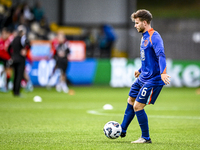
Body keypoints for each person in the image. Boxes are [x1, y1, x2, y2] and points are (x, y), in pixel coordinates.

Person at [120, 9, 170, 144]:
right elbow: (149, 58)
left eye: (137, 23)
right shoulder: (144, 36)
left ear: (145, 22)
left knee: (137, 106)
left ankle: (146, 138)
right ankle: (122, 129)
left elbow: (161, 55)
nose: (135, 25)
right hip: (143, 77)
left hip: (153, 80)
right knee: (130, 100)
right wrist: (140, 70)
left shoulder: (155, 36)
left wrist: (163, 73)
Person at [10, 25, 31, 96]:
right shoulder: (23, 38)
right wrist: (25, 49)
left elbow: (9, 47)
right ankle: (17, 92)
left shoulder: (14, 38)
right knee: (19, 75)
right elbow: (28, 44)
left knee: (15, 75)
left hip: (14, 58)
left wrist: (12, 55)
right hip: (20, 59)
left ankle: (14, 90)